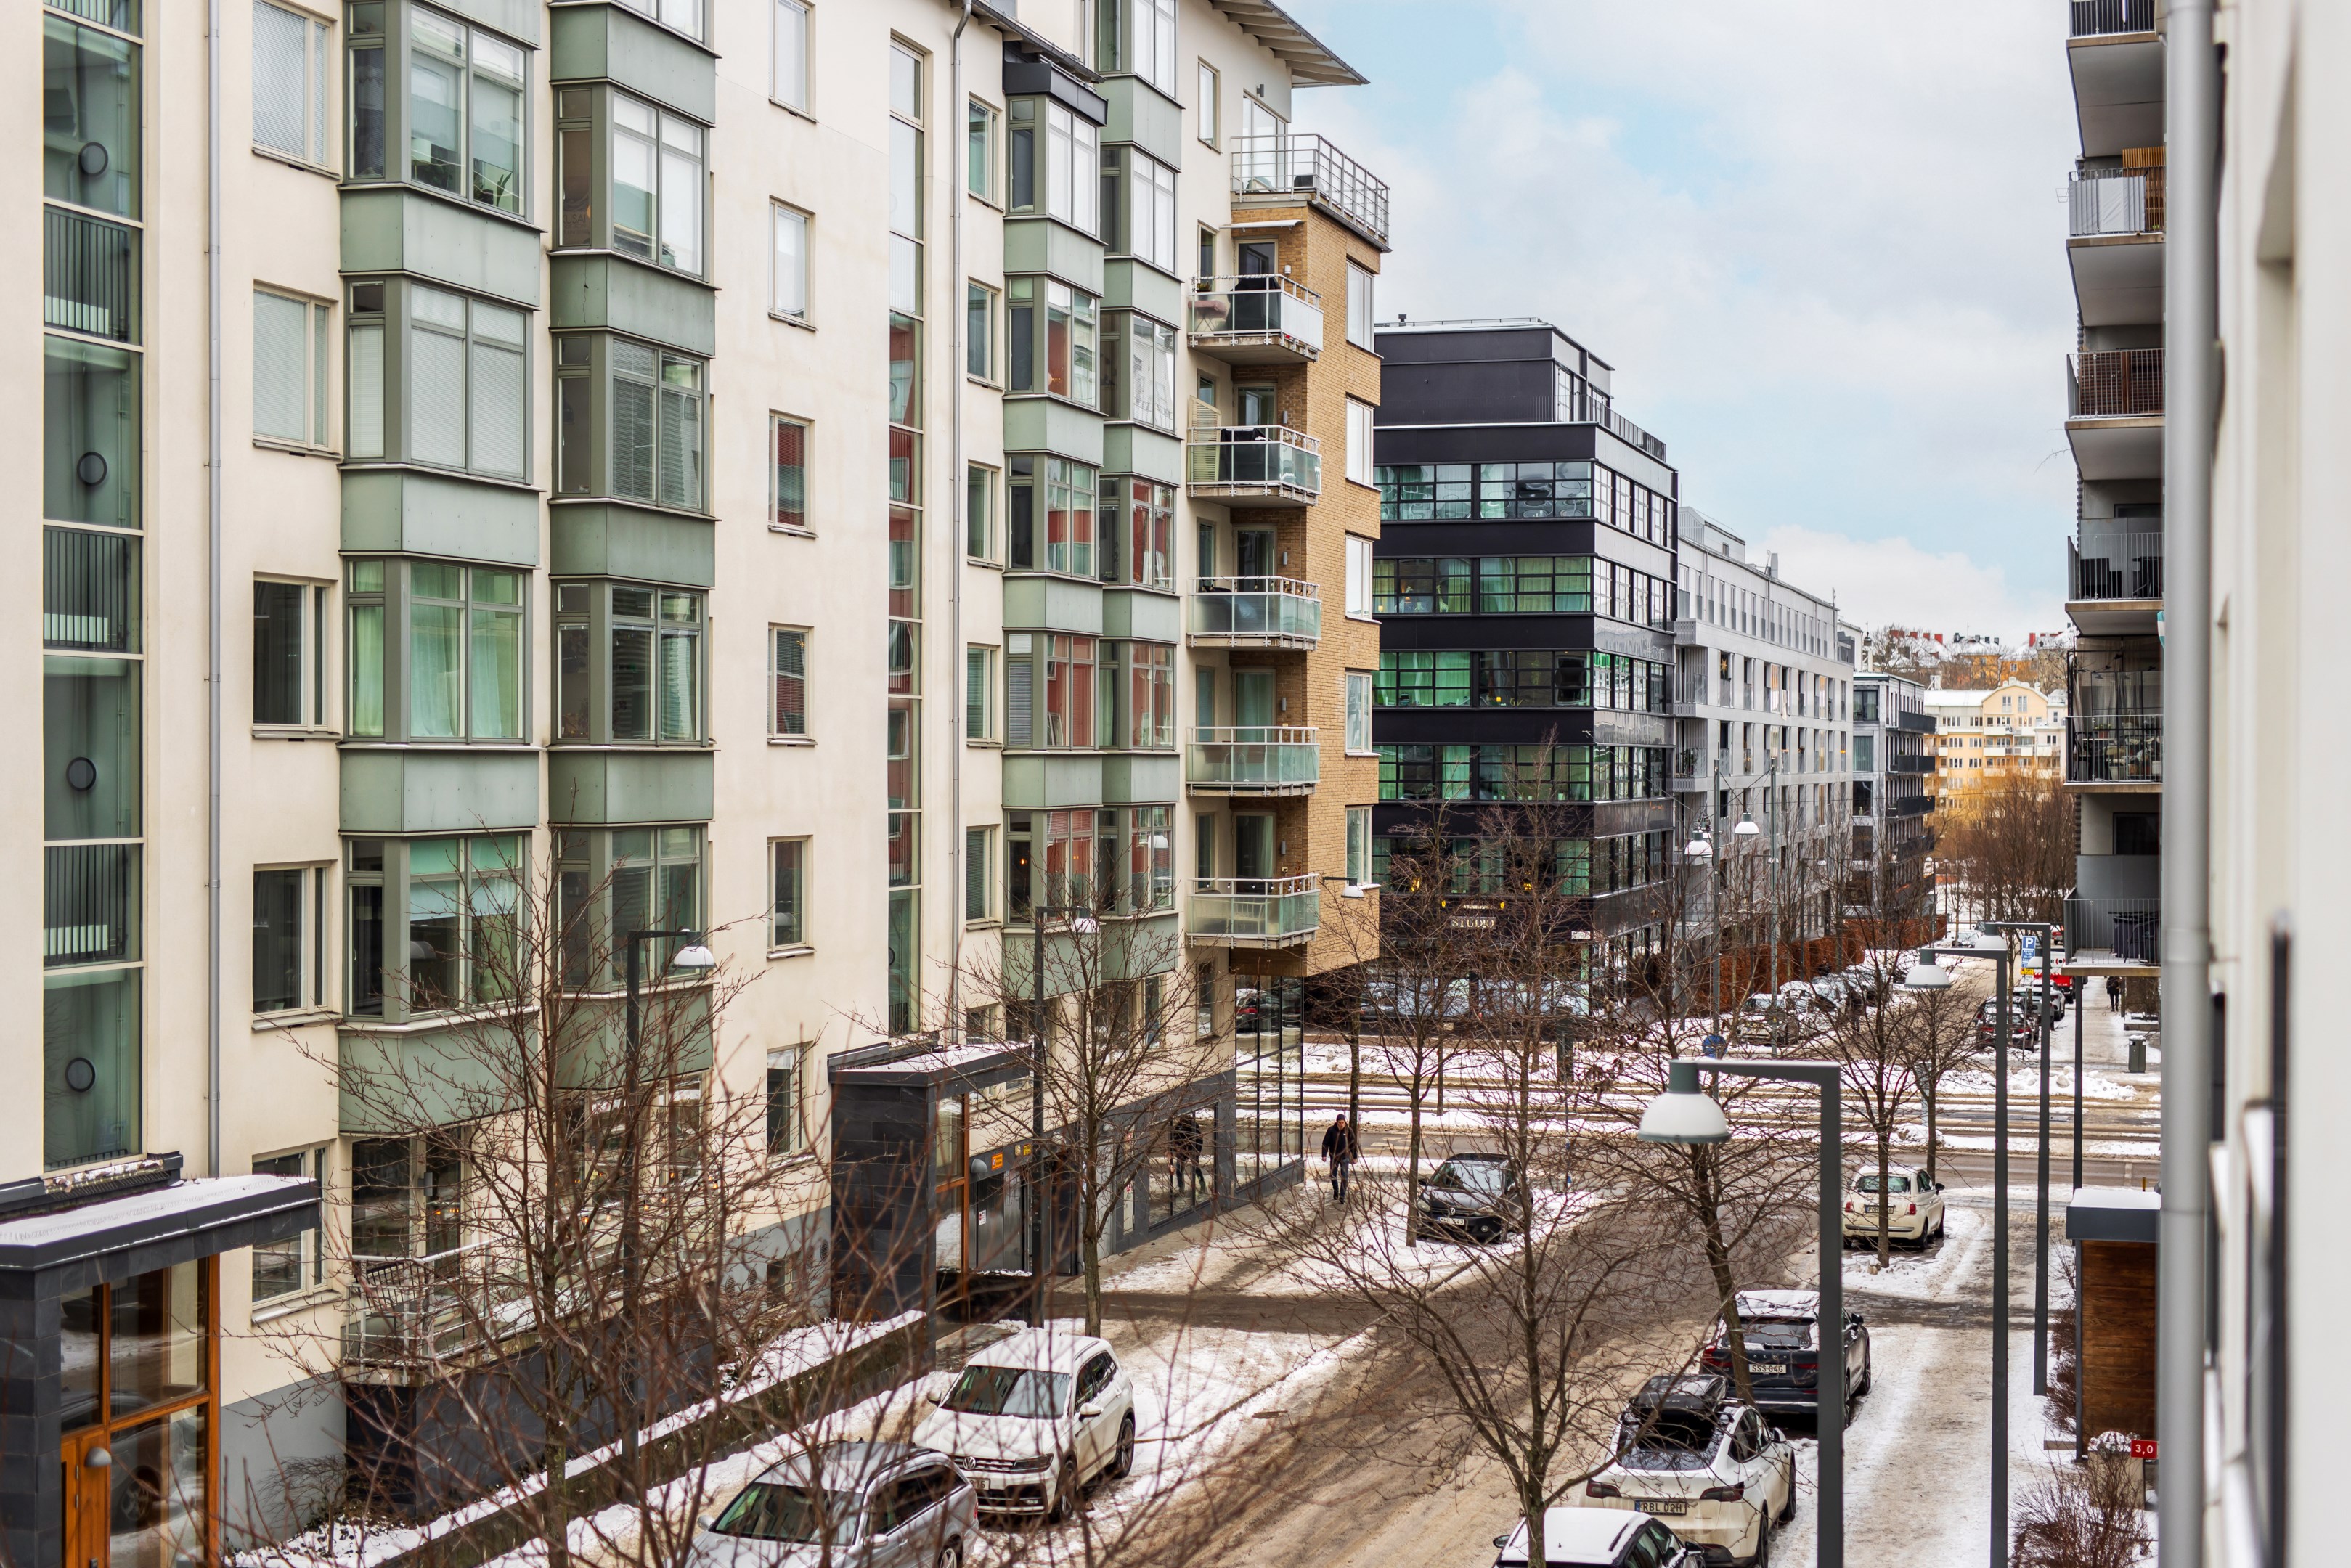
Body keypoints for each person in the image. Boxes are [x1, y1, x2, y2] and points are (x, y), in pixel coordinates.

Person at [1320, 1111, 1358, 1204]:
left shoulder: (1348, 1131)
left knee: (1344, 1177)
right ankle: (1336, 1190)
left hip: (1345, 1157)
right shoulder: (1331, 1130)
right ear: (1337, 1122)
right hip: (1334, 1157)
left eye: (1343, 1123)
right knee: (1333, 1175)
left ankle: (1342, 1196)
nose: (1341, 1125)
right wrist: (1324, 1155)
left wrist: (1355, 1156)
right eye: (1340, 1123)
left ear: (1345, 1122)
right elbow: (1325, 1143)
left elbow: (1353, 1144)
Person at [1170, 1113, 1206, 1205]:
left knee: (1196, 1168)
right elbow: (1175, 1139)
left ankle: (1202, 1185)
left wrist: (1196, 1154)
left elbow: (1199, 1140)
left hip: (1193, 1150)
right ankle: (1181, 1188)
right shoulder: (1179, 1127)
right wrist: (1175, 1150)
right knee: (1179, 1169)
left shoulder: (1194, 1127)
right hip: (1183, 1150)